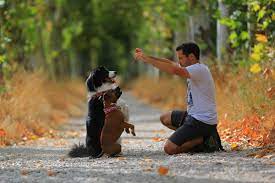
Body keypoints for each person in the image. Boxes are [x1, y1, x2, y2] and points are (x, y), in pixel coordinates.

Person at [134, 42, 223, 155]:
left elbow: (173, 70)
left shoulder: (199, 69)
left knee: (169, 149)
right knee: (165, 118)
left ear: (191, 57)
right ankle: (194, 138)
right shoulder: (192, 68)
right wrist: (146, 57)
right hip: (193, 116)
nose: (179, 61)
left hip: (202, 121)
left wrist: (148, 60)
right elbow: (170, 63)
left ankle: (203, 141)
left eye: (181, 58)